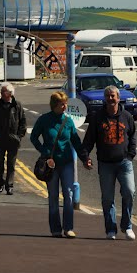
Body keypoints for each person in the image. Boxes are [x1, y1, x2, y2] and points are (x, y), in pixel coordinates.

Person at [82, 84, 137, 240]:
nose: (111, 99)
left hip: (124, 163)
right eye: (108, 96)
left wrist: (131, 154)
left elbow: (132, 136)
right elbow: (88, 140)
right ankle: (110, 229)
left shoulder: (127, 116)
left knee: (129, 192)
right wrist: (86, 157)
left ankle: (127, 226)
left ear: (118, 98)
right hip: (105, 163)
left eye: (113, 96)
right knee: (107, 198)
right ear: (105, 99)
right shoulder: (97, 118)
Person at [30, 90, 89, 238]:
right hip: (51, 164)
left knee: (68, 195)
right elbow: (34, 137)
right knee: (53, 196)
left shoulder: (68, 121)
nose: (65, 107)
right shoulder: (44, 120)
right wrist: (44, 150)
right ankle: (55, 228)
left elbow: (75, 141)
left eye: (65, 104)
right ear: (54, 105)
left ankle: (68, 228)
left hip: (67, 162)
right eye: (62, 104)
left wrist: (85, 158)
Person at [0, 83, 26, 194]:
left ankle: (9, 185)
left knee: (11, 164)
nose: (1, 93)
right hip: (0, 139)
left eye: (3, 91)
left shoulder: (17, 105)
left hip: (13, 140)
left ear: (9, 93)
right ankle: (1, 181)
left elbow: (23, 121)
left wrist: (19, 136)